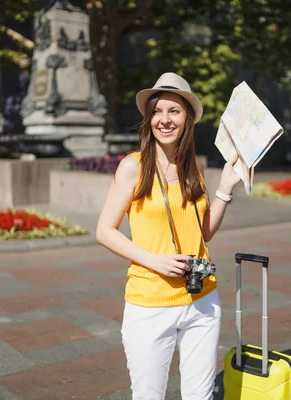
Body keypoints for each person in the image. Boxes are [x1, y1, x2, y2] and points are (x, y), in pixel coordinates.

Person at [96, 72, 241, 399]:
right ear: (148, 118)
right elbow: (104, 230)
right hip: (150, 304)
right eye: (157, 111)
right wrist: (155, 261)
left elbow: (204, 233)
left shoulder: (194, 167)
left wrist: (225, 189)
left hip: (202, 301)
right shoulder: (133, 167)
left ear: (187, 118)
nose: (164, 119)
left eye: (174, 111)